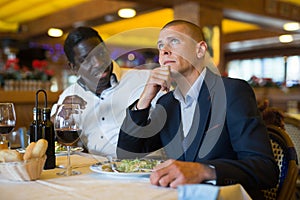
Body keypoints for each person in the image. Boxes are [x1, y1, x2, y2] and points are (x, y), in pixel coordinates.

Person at [117, 20, 279, 199]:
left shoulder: (231, 91)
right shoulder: (167, 102)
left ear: (200, 50)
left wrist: (204, 171)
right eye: (161, 45)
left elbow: (265, 169)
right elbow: (127, 154)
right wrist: (145, 98)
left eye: (175, 41)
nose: (164, 50)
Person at [51, 27, 160, 158]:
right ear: (73, 67)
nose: (98, 63)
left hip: (148, 170)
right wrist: (60, 118)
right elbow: (59, 141)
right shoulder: (69, 95)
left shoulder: (146, 81)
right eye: (86, 59)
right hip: (98, 172)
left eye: (100, 53)